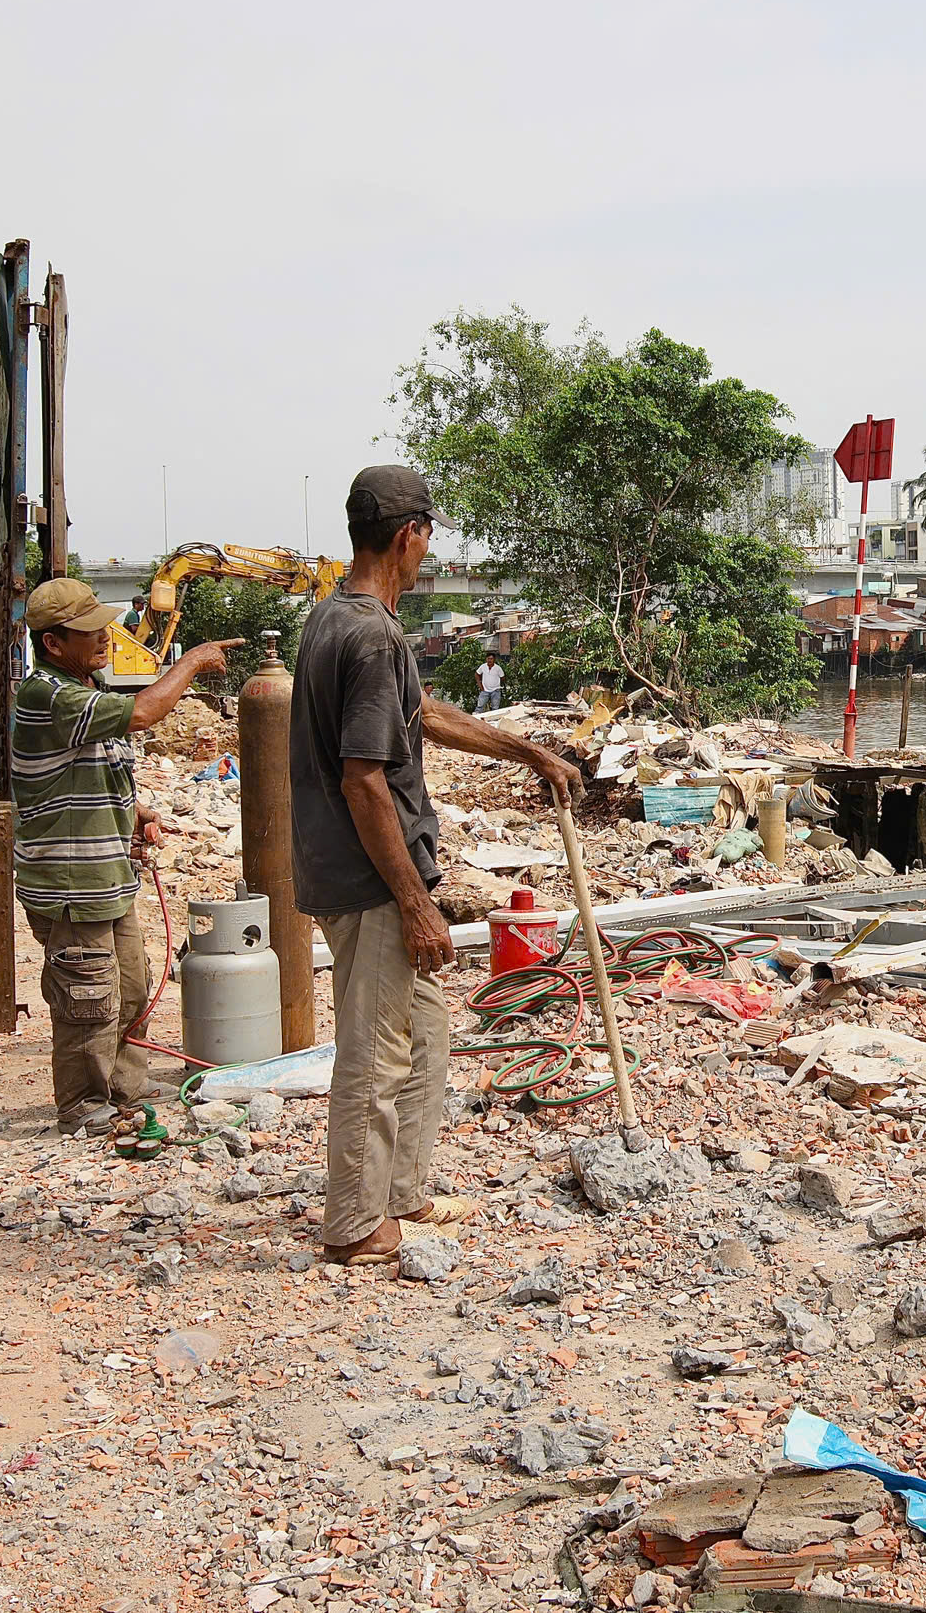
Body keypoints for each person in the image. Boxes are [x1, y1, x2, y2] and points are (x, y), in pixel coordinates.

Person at [292, 466, 584, 1266]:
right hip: (370, 881)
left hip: (346, 872)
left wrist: (526, 749)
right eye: (428, 537)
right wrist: (416, 903)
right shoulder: (372, 634)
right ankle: (355, 1223)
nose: (429, 552)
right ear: (406, 535)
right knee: (376, 1049)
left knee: (426, 1032)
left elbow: (423, 718)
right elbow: (364, 779)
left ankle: (402, 1193)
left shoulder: (336, 621)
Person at [13, 578, 242, 1135]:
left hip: (109, 877)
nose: (104, 636)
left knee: (133, 985)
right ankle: (83, 1104)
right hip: (72, 882)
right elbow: (142, 714)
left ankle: (125, 1089)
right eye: (90, 630)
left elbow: (90, 765)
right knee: (87, 994)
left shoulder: (84, 687)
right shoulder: (47, 693)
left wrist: (134, 811)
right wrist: (188, 664)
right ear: (53, 643)